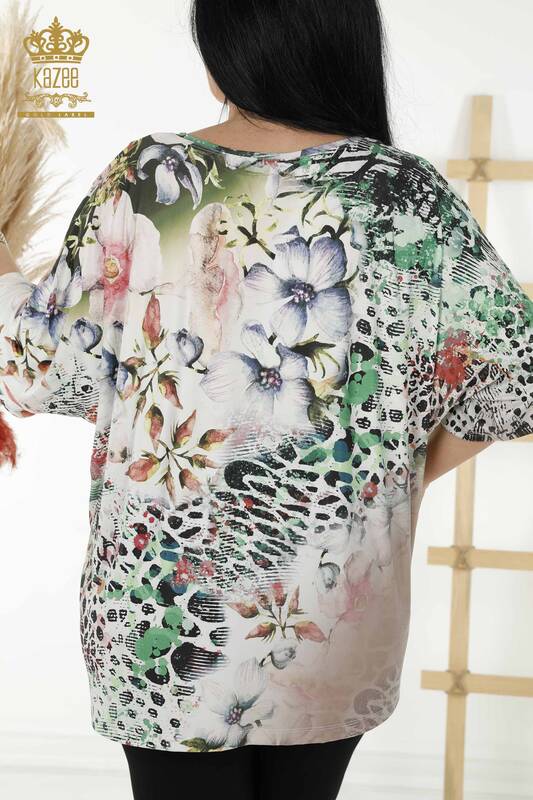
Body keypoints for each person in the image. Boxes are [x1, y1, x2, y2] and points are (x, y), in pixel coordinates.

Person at [1, 1, 532, 798]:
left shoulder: (151, 179)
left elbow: (37, 362)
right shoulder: (403, 192)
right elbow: (515, 373)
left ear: (227, 56)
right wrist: (397, 481)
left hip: (165, 612)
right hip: (331, 604)